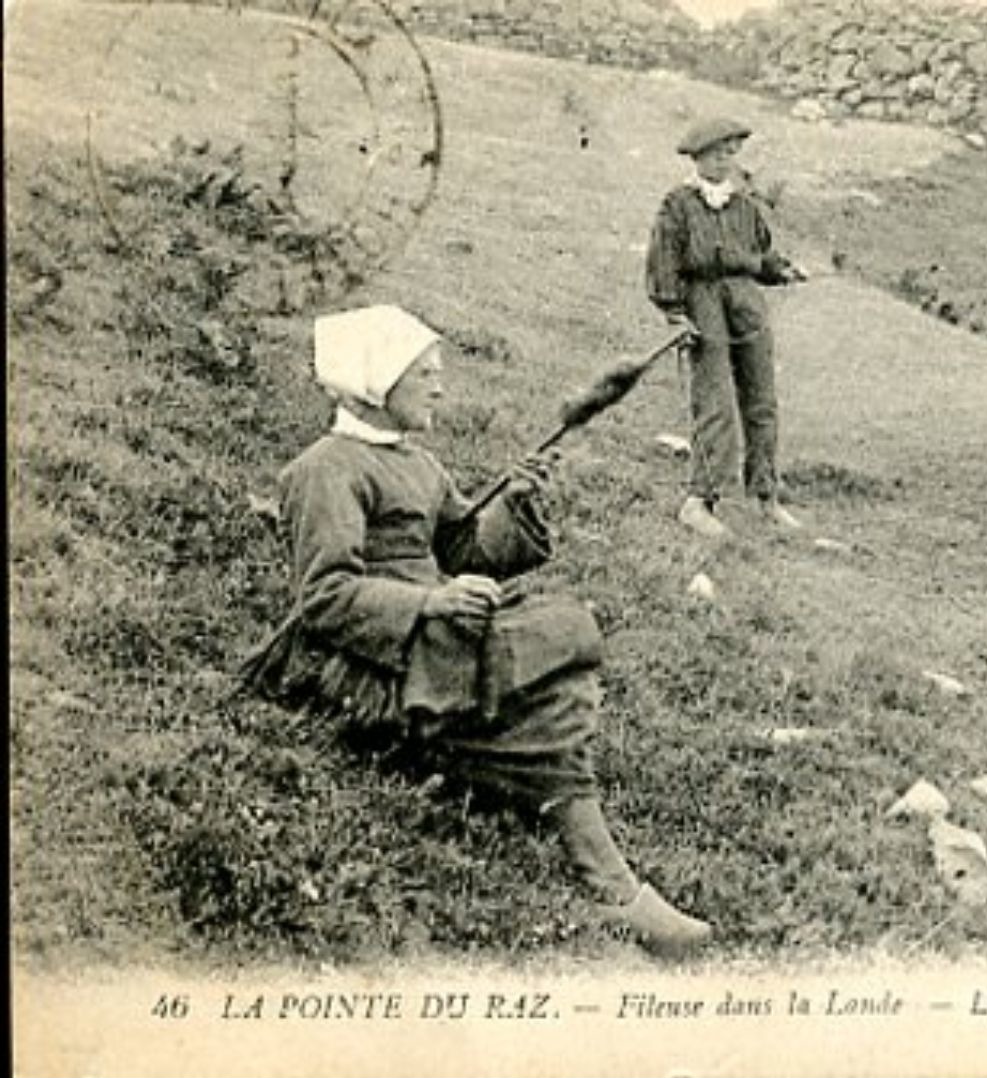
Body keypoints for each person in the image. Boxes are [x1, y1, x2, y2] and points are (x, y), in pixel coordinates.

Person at [242, 304, 712, 955]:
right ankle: (609, 882)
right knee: (549, 699)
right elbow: (324, 596)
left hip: (429, 637)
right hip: (370, 655)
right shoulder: (325, 470)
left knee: (560, 648)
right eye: (425, 374)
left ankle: (530, 800)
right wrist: (429, 606)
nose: (439, 386)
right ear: (379, 384)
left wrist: (513, 501)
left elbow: (460, 551)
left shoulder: (420, 464)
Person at [645, 116, 807, 539]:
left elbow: (763, 255)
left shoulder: (744, 205)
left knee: (761, 400)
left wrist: (783, 271)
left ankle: (765, 497)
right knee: (714, 401)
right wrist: (674, 312)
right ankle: (700, 501)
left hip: (746, 303)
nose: (723, 162)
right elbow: (664, 262)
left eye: (730, 154)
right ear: (696, 158)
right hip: (703, 304)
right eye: (715, 155)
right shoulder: (678, 204)